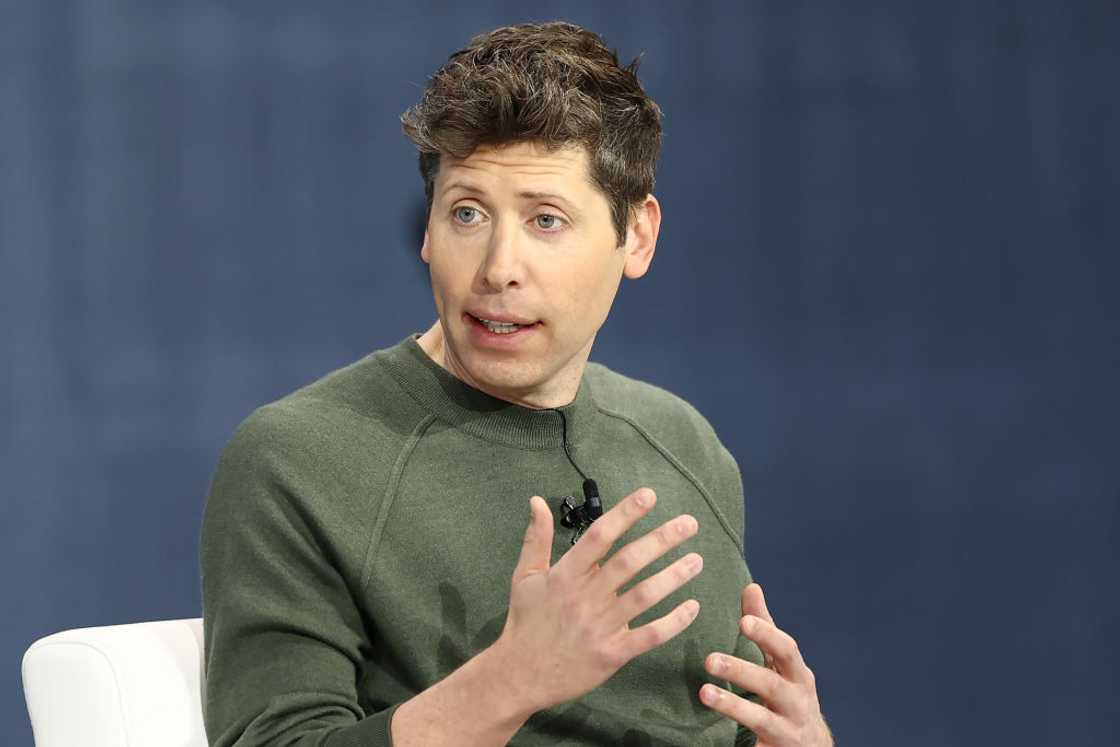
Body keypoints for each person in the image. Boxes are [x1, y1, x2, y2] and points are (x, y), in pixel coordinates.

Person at [199, 20, 832, 747]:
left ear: (639, 235)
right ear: (428, 232)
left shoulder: (685, 443)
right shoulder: (297, 462)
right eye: (468, 213)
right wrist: (510, 682)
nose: (499, 266)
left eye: (545, 220)